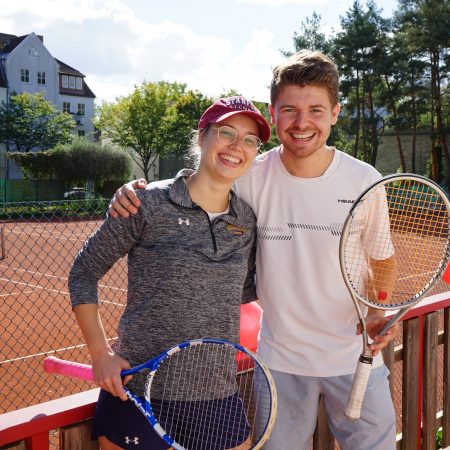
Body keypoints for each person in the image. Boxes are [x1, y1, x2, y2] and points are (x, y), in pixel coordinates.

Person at [109, 50, 398, 450]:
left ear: (334, 113)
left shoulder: (364, 179)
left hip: (355, 359)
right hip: (279, 363)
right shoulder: (250, 176)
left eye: (316, 110)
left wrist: (377, 311)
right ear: (273, 113)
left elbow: (382, 258)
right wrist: (136, 190)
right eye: (290, 110)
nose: (302, 122)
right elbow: (199, 182)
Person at [68, 95, 271, 450]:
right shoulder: (146, 203)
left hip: (216, 394)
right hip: (138, 392)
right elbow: (83, 272)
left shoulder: (246, 220)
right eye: (226, 133)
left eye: (250, 140)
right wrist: (100, 355)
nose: (237, 146)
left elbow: (242, 291)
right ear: (202, 136)